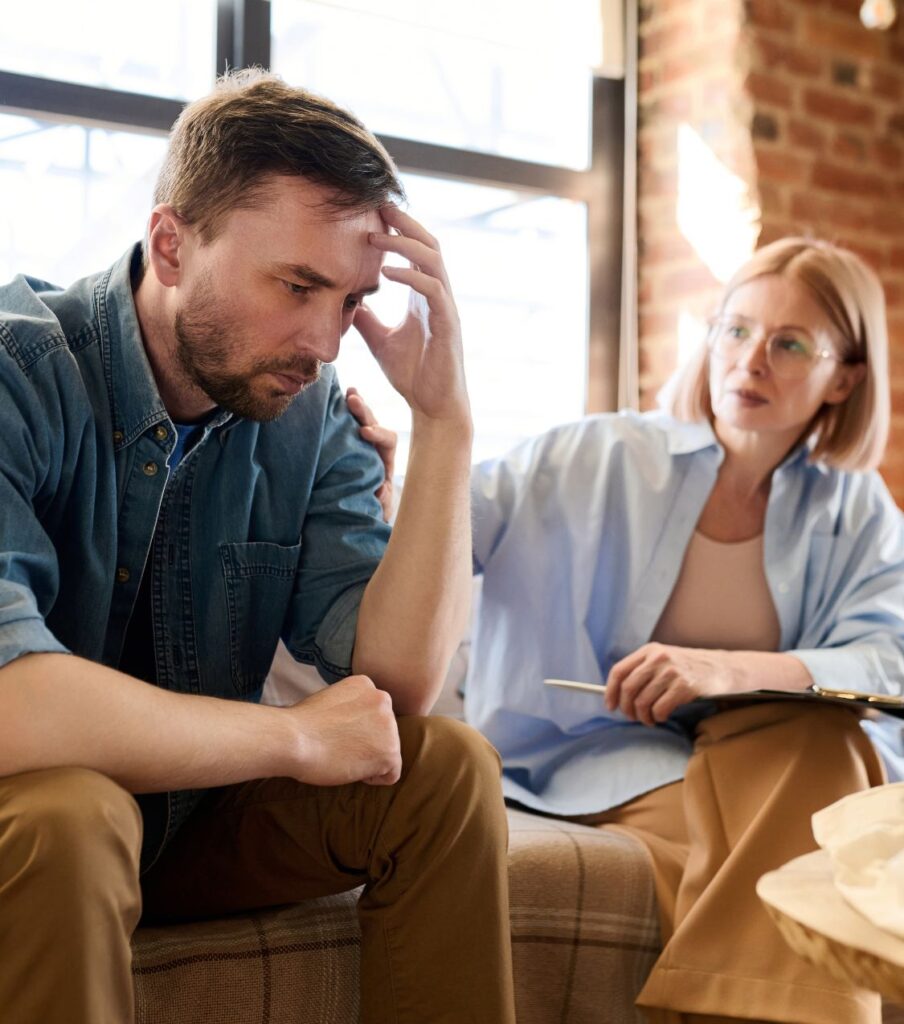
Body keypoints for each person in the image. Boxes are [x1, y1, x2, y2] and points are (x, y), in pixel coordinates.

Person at [0, 70, 515, 1024]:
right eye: (297, 285)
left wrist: (445, 420)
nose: (325, 341)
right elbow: (11, 706)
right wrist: (289, 735)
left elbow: (394, 689)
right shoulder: (18, 377)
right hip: (37, 817)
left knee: (444, 768)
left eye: (351, 299)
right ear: (171, 244)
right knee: (79, 814)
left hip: (190, 823)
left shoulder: (307, 416)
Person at [353, 237, 904, 1024]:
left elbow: (891, 656)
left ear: (845, 375)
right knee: (811, 832)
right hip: (591, 756)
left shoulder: (855, 511)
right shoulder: (597, 454)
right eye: (736, 330)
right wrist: (386, 485)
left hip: (765, 753)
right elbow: (452, 527)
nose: (751, 362)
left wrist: (734, 670)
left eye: (790, 344)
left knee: (823, 742)